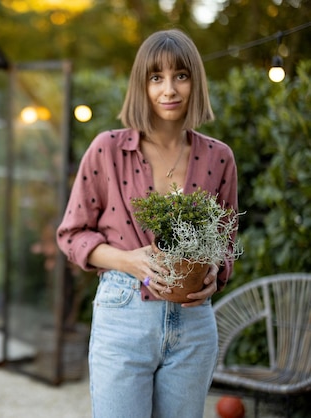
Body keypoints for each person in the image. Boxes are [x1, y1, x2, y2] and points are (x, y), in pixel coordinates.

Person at [56, 29, 238, 418]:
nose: (168, 89)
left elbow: (225, 243)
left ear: (196, 82)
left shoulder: (219, 158)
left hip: (193, 323)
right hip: (123, 314)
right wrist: (129, 261)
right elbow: (72, 234)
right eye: (156, 77)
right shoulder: (108, 148)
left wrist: (215, 273)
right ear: (142, 84)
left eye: (181, 76)